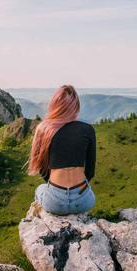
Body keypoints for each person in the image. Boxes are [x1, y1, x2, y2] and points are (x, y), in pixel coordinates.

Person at [28, 85, 96, 215]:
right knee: (88, 191)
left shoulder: (44, 129)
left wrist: (58, 189)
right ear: (76, 107)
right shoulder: (87, 129)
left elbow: (43, 171)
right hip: (83, 200)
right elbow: (90, 171)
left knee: (40, 189)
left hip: (54, 201)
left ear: (54, 106)